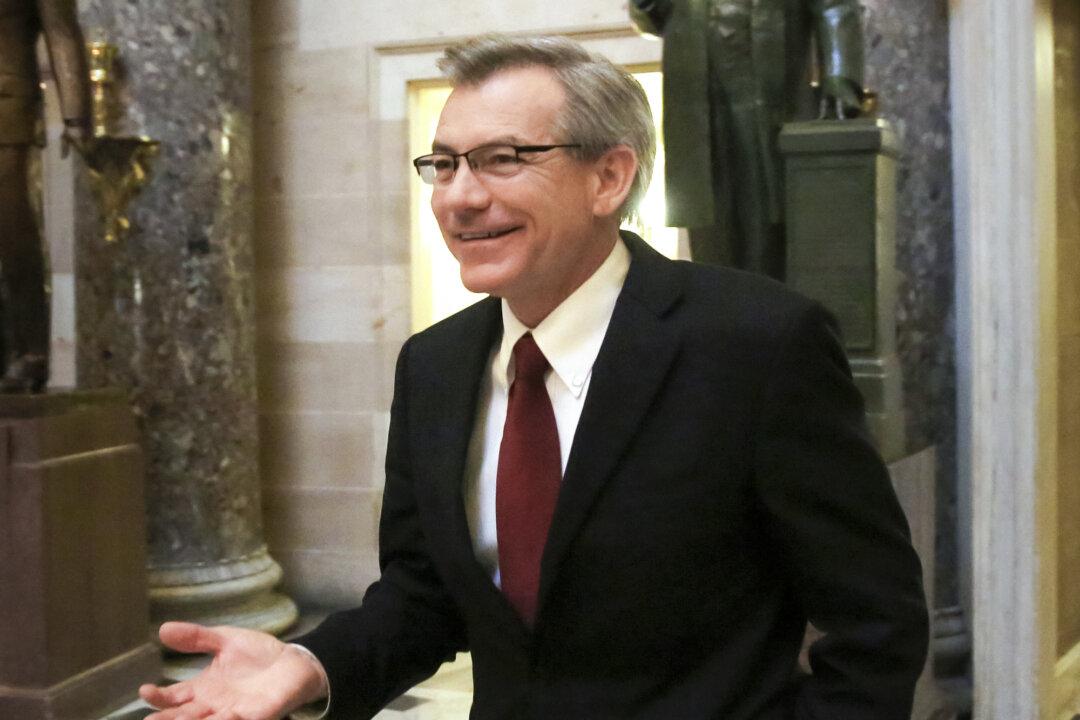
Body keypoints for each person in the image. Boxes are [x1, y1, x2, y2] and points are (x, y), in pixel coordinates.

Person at [140, 34, 928, 720]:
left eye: (502, 160)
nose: (459, 198)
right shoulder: (436, 365)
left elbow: (875, 622)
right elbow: (425, 596)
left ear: (608, 178)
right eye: (443, 164)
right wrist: (311, 666)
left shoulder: (756, 343)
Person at [630, 0, 866, 278]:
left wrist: (840, 77)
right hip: (696, 87)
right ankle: (719, 306)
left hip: (769, 85)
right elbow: (651, 19)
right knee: (708, 216)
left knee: (769, 211)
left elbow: (835, 6)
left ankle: (774, 305)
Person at [0, 0, 90, 392]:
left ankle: (30, 351)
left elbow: (62, 31)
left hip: (5, 100)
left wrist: (76, 115)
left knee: (10, 223)